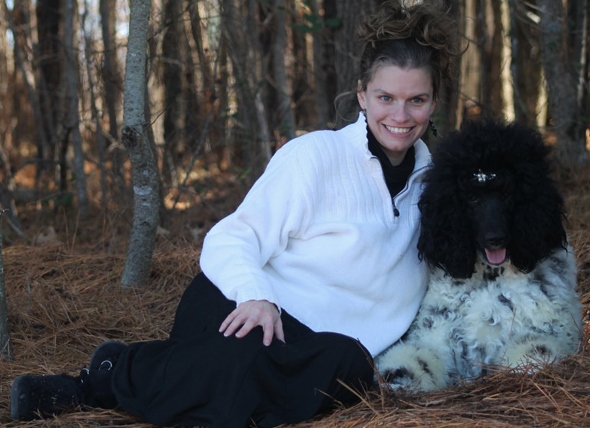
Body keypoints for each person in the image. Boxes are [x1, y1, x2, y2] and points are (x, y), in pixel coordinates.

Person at [10, 1, 462, 427]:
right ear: (362, 95)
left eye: (416, 100)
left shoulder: (440, 189)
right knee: (247, 367)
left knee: (348, 366)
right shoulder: (316, 157)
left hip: (320, 350)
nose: (400, 115)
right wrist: (257, 296)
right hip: (242, 308)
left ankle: (163, 381)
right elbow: (232, 238)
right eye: (386, 97)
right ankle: (98, 380)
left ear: (434, 101)